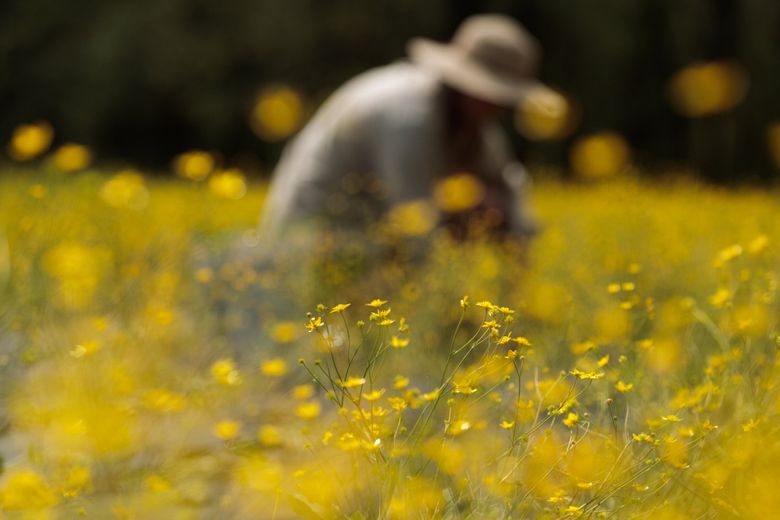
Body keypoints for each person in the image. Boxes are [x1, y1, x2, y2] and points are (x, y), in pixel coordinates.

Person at [258, 14, 545, 251]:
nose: (501, 108)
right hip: (310, 236)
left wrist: (513, 231)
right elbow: (414, 223)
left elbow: (508, 188)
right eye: (497, 95)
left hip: (366, 237)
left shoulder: (470, 118)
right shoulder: (407, 116)